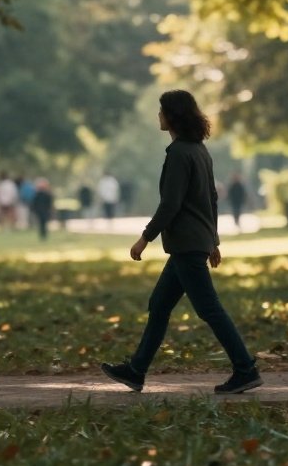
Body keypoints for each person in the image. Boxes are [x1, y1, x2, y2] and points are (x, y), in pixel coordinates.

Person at [101, 90, 262, 395]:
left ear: (172, 116)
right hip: (192, 242)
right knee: (159, 305)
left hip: (187, 245)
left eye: (162, 111)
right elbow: (211, 199)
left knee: (209, 309)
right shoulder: (200, 150)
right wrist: (213, 239)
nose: (158, 116)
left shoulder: (178, 154)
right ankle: (136, 371)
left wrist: (144, 237)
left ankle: (246, 368)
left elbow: (171, 204)